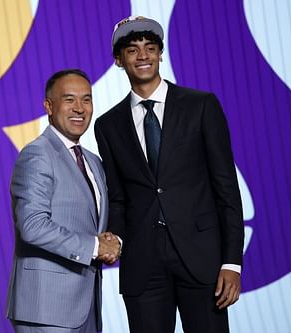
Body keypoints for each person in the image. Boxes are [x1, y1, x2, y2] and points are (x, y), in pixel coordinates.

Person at [94, 17, 244, 332]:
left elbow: (226, 190)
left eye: (150, 48)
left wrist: (231, 263)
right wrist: (116, 238)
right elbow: (119, 197)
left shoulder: (201, 106)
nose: (143, 56)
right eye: (132, 50)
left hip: (201, 259)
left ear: (161, 53)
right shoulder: (108, 124)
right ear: (119, 61)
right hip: (142, 261)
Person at [6, 69, 120, 333]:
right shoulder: (37, 154)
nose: (79, 108)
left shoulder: (93, 161)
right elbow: (32, 226)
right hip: (46, 308)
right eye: (69, 100)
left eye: (86, 99)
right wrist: (94, 247)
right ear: (48, 106)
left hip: (85, 306)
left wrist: (113, 243)